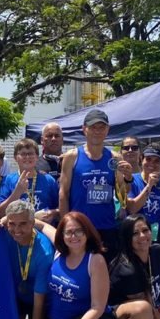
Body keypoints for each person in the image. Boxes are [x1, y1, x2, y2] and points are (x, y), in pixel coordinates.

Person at [45, 211, 115, 319]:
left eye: (79, 231)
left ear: (87, 232)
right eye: (68, 232)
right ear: (62, 235)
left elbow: (97, 307)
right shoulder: (58, 252)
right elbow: (42, 225)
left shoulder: (95, 260)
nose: (73, 236)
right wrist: (4, 220)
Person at [58, 108, 126, 262]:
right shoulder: (72, 156)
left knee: (107, 272)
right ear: (84, 129)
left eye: (101, 127)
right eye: (93, 127)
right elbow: (63, 194)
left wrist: (126, 178)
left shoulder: (115, 158)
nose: (97, 131)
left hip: (107, 227)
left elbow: (122, 194)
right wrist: (65, 226)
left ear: (107, 130)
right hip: (79, 229)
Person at [0, 200, 54, 319]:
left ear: (32, 222)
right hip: (16, 297)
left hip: (40, 301)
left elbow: (39, 303)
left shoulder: (44, 252)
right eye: (12, 224)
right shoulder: (3, 236)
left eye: (23, 224)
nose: (17, 230)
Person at [126, 145, 160, 254]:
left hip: (158, 237)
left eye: (157, 161)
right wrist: (149, 185)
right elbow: (132, 209)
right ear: (141, 159)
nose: (152, 164)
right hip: (136, 237)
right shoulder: (131, 180)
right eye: (148, 159)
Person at [0, 139, 60, 224]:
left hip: (43, 228)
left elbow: (60, 208)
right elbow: (1, 212)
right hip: (17, 229)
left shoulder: (49, 180)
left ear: (37, 157)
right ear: (15, 157)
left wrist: (52, 213)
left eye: (30, 153)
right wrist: (17, 192)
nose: (27, 157)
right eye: (23, 154)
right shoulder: (8, 180)